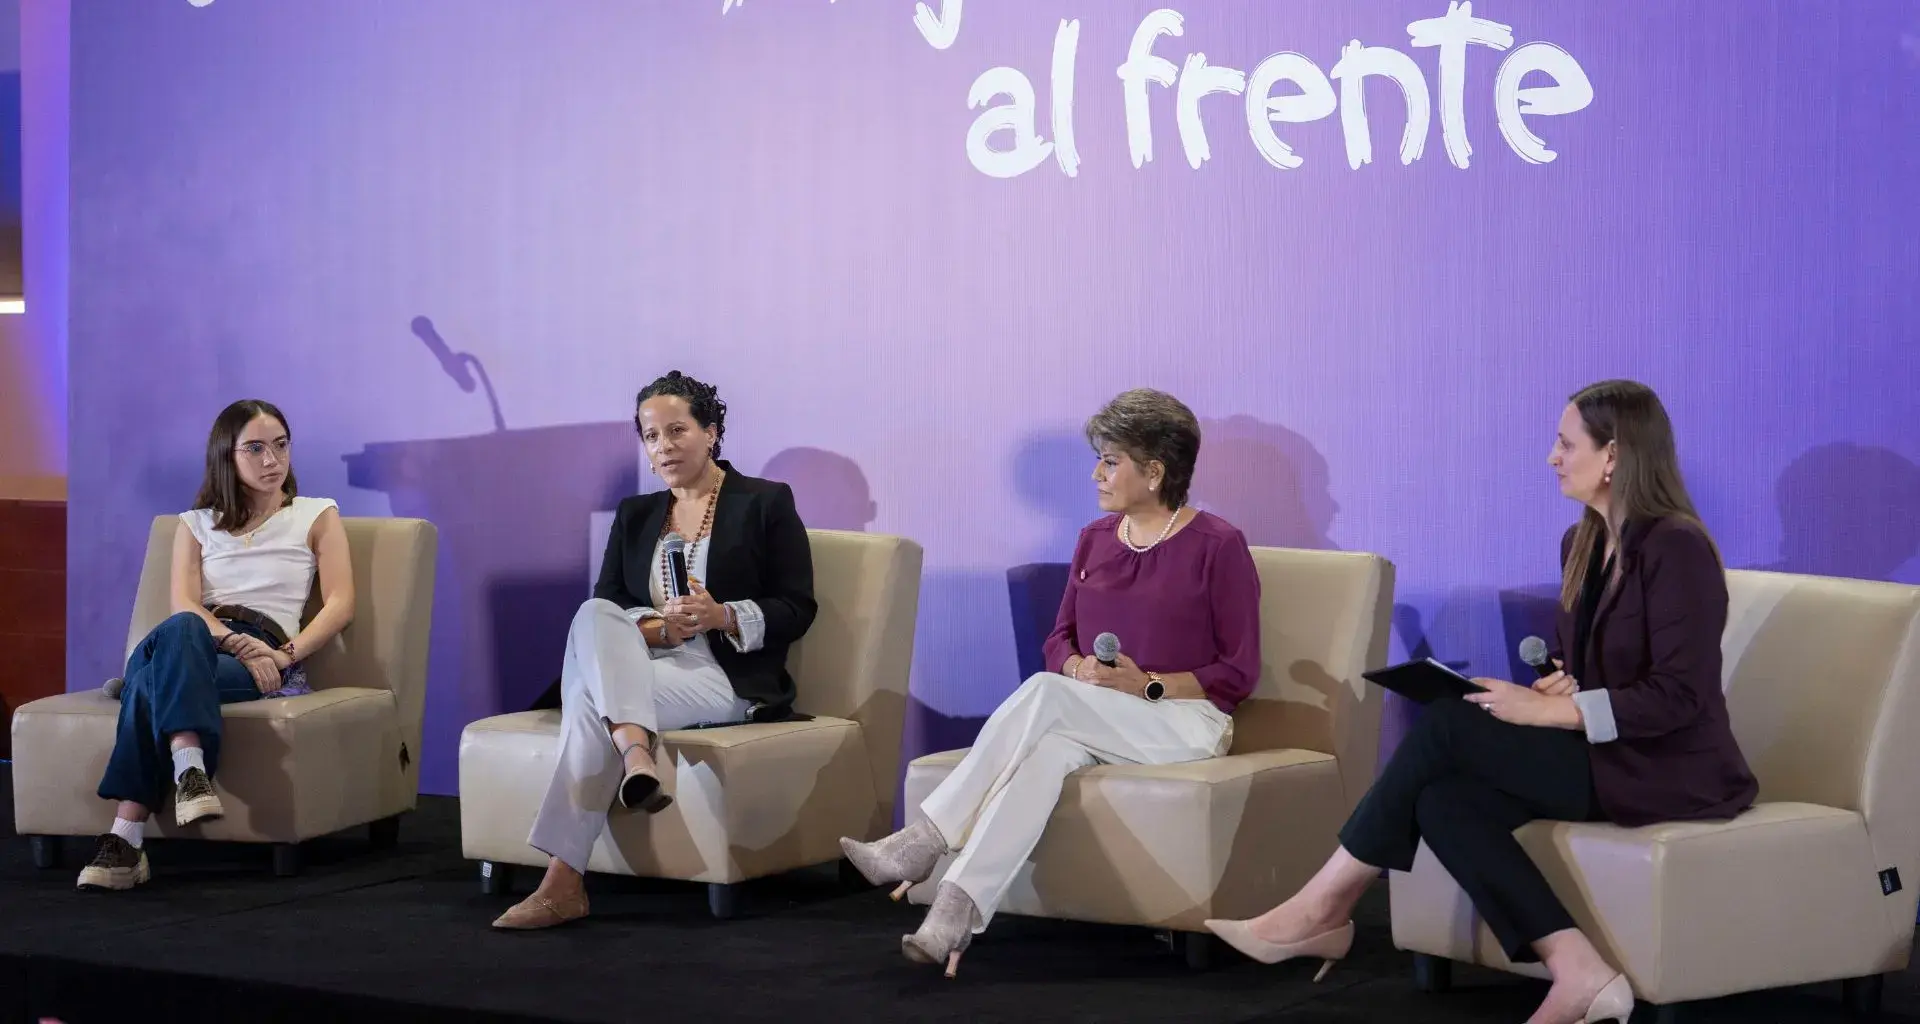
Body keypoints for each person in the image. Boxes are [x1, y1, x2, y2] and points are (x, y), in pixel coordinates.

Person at [1205, 380, 1758, 1024]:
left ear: (1614, 454)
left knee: (1447, 723)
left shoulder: (1677, 548)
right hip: (1605, 753)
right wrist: (1563, 684)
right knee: (1444, 800)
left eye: (1566, 444)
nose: (1552, 457)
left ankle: (1323, 906)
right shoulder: (1581, 544)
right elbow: (1590, 667)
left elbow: (1680, 697)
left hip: (1669, 770)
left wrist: (1556, 710)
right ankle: (1578, 970)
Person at [841, 388, 1260, 977]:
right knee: (1047, 754)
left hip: (1186, 723)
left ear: (1155, 471)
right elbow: (1059, 639)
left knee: (1043, 693)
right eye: (1099, 460)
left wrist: (1148, 684)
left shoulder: (1218, 544)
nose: (1096, 474)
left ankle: (925, 839)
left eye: (1111, 461)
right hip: (1092, 714)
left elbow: (1239, 672)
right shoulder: (1095, 539)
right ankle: (955, 911)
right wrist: (1078, 668)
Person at [492, 370, 817, 930]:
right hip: (645, 663)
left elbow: (798, 606)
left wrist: (721, 615)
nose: (663, 446)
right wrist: (659, 630)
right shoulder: (636, 514)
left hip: (724, 675)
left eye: (677, 430)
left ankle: (563, 881)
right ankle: (635, 758)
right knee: (592, 614)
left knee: (591, 701)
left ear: (711, 432)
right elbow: (609, 604)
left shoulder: (765, 502)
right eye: (650, 436)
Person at [79, 399, 354, 891]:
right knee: (185, 624)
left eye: (281, 445)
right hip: (195, 639)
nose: (272, 460)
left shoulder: (316, 514)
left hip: (262, 649)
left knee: (151, 684)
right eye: (256, 449)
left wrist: (284, 655)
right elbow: (184, 602)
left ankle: (125, 838)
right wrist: (236, 643)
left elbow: (341, 603)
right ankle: (189, 764)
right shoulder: (194, 523)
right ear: (227, 455)